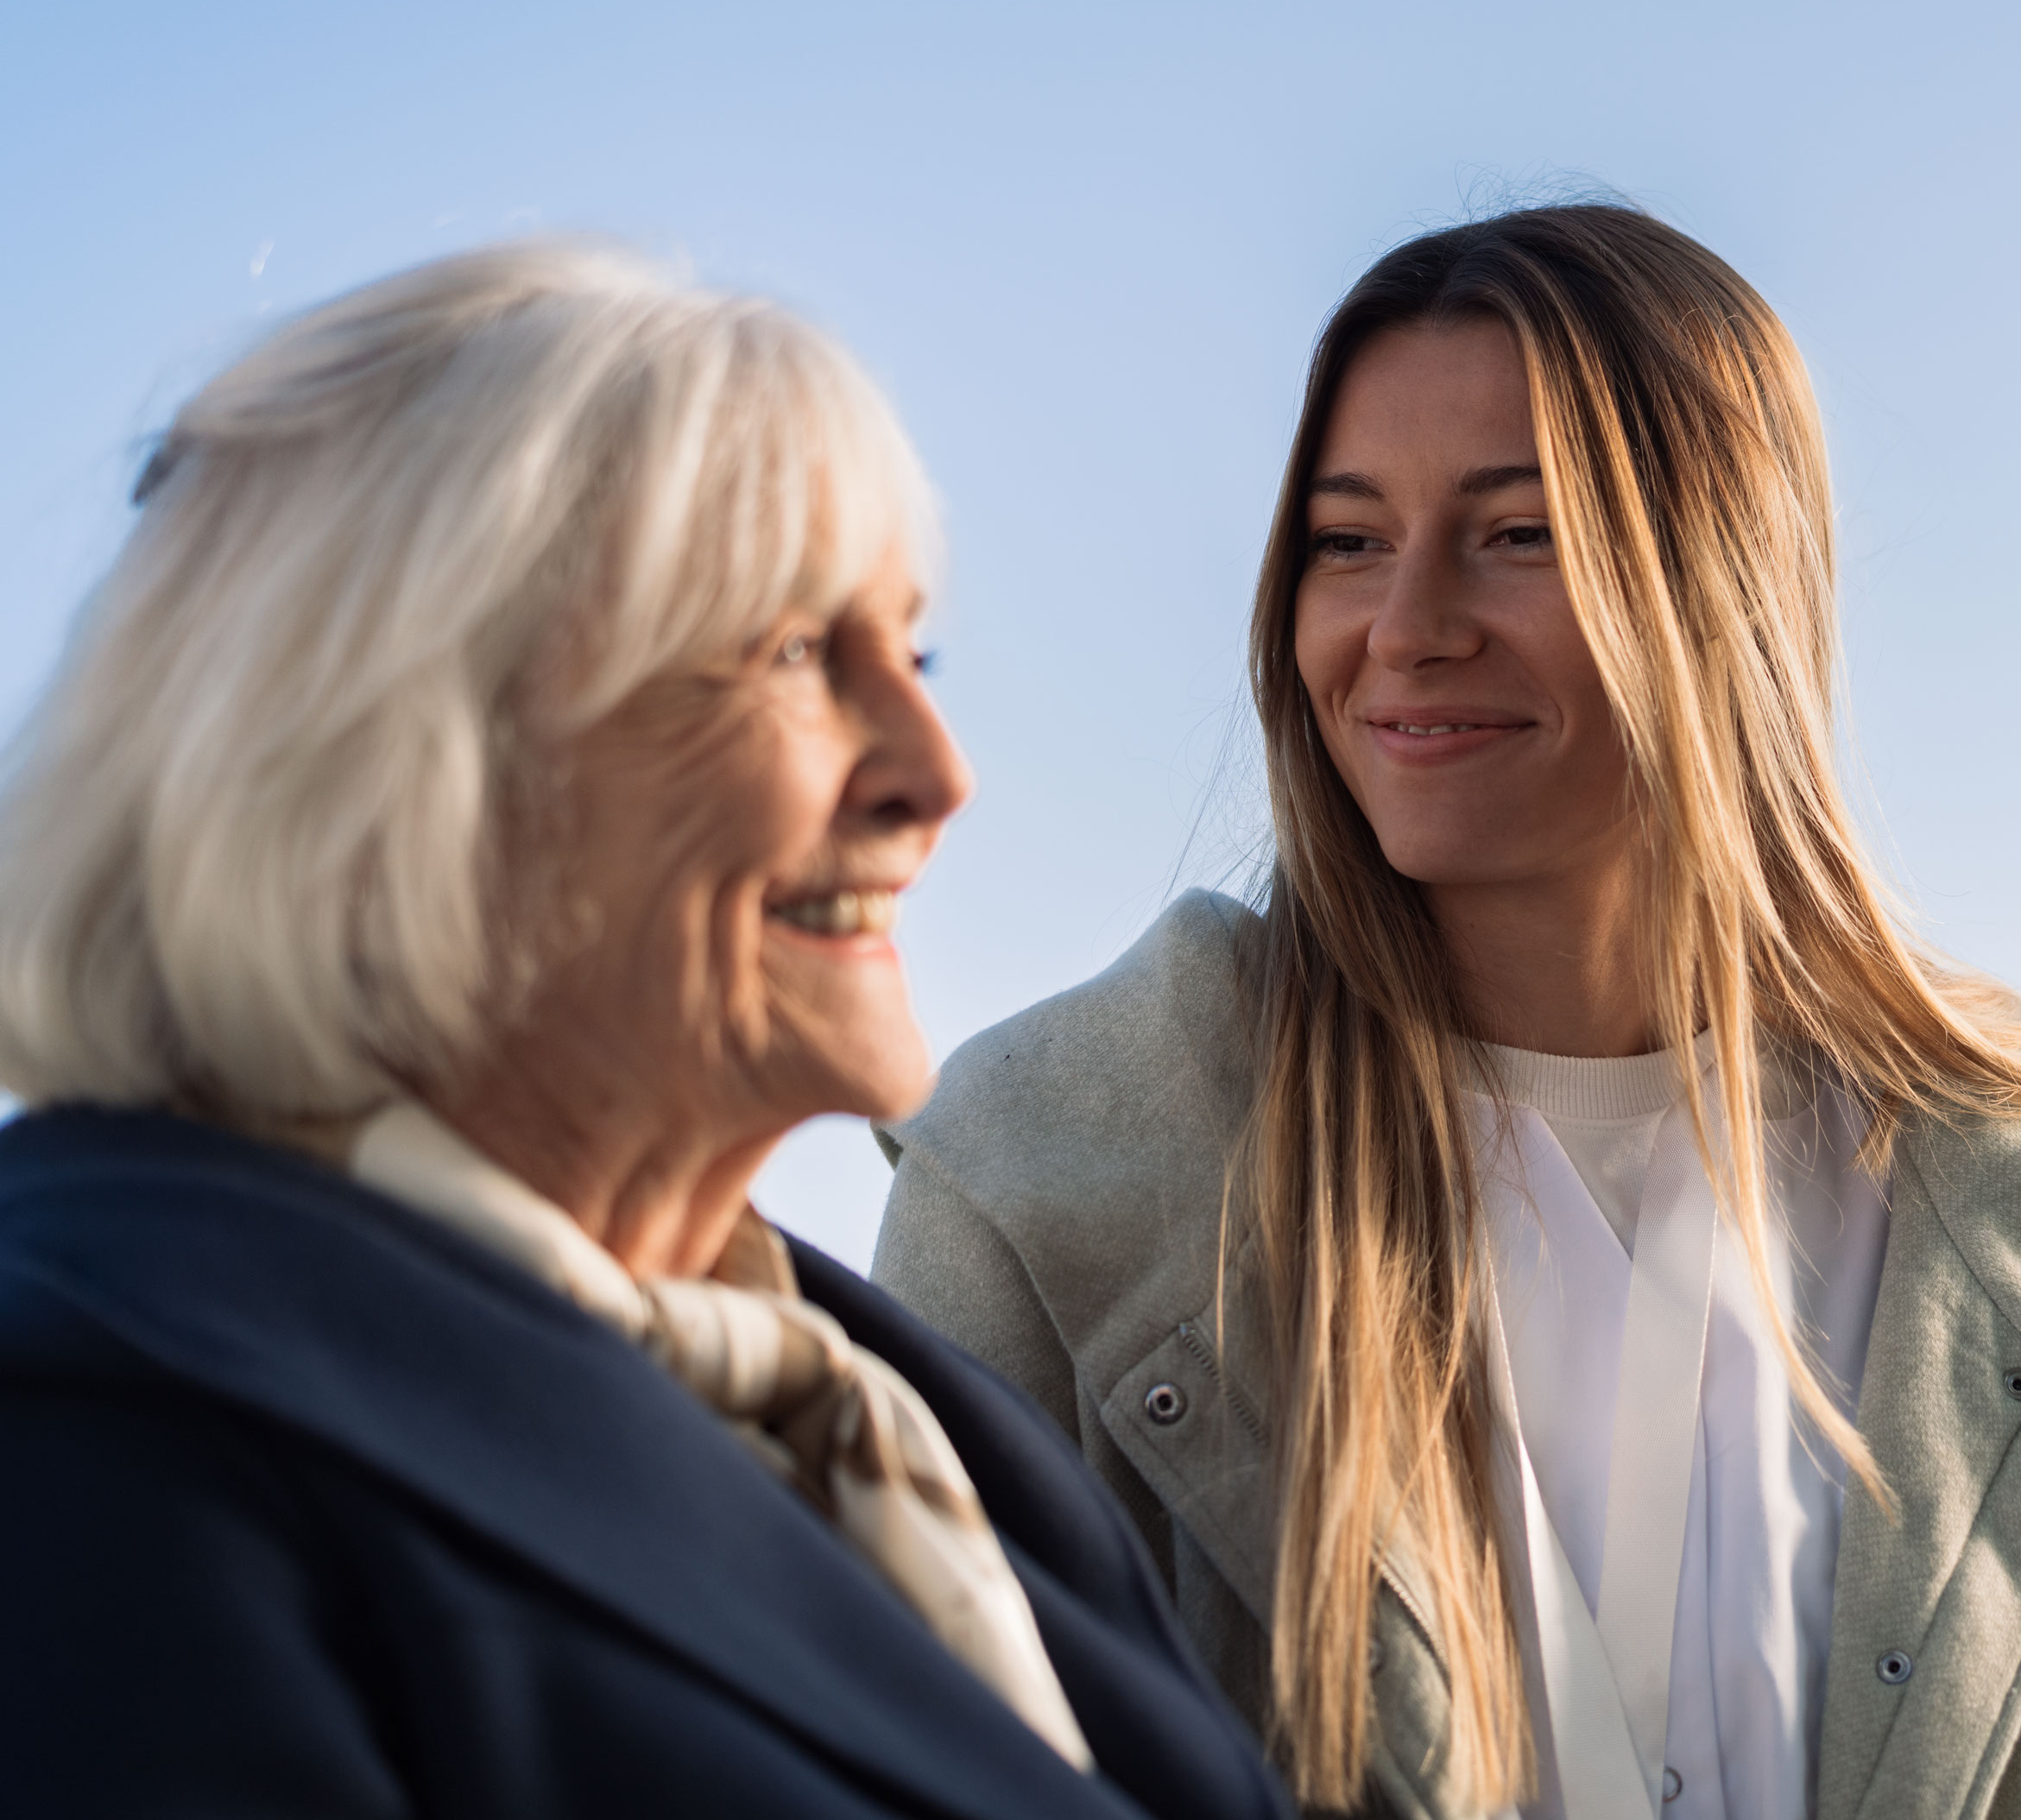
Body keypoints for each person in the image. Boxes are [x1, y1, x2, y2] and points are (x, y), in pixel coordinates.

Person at [874, 205, 2021, 1820]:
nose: (1406, 625)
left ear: (1726, 588)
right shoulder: (1049, 1175)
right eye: (1347, 541)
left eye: (1522, 532)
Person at [0, 245, 1292, 1820]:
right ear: (389, 760)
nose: (935, 774)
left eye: (918, 651)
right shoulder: (96, 1443)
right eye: (795, 657)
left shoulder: (912, 1421)